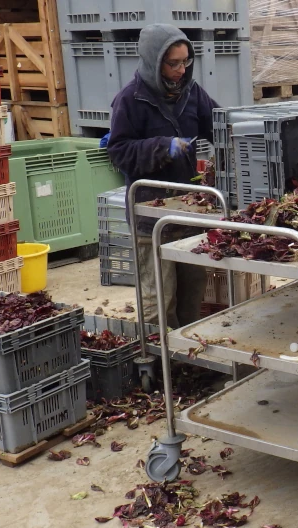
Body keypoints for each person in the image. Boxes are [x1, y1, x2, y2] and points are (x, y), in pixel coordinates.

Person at [107, 24, 218, 327]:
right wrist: (161, 148)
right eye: (173, 63)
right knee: (159, 297)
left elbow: (219, 125)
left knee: (192, 289)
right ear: (154, 60)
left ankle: (186, 362)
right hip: (149, 216)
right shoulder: (130, 100)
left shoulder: (192, 94)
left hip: (189, 210)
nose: (182, 70)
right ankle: (157, 366)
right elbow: (118, 151)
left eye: (186, 62)